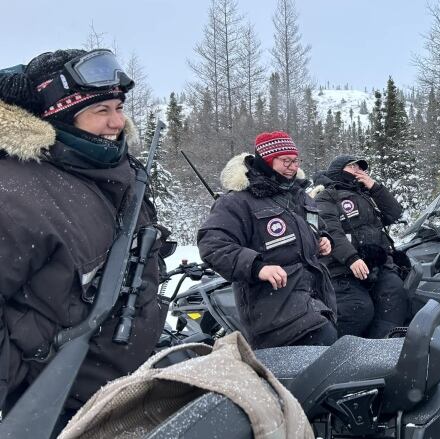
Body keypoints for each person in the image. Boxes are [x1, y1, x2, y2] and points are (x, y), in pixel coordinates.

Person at [0, 49, 167, 422]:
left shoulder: (115, 174)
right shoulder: (13, 194)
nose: (117, 122)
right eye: (100, 111)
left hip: (123, 389)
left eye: (119, 107)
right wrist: (23, 377)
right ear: (59, 116)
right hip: (55, 408)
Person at [198, 131, 338, 349]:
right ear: (265, 161)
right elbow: (213, 245)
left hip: (314, 298)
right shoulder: (237, 202)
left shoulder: (299, 195)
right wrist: (256, 266)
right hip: (273, 307)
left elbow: (316, 225)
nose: (293, 167)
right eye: (285, 161)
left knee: (328, 344)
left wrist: (323, 238)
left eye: (295, 160)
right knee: (323, 341)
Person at [312, 155, 407, 338]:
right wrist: (351, 257)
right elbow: (331, 230)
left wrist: (375, 187)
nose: (358, 170)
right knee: (358, 309)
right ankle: (332, 349)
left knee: (395, 294)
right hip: (343, 266)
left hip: (377, 262)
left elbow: (394, 213)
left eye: (360, 167)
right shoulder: (326, 196)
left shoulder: (366, 195)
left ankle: (381, 344)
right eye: (352, 166)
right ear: (338, 170)